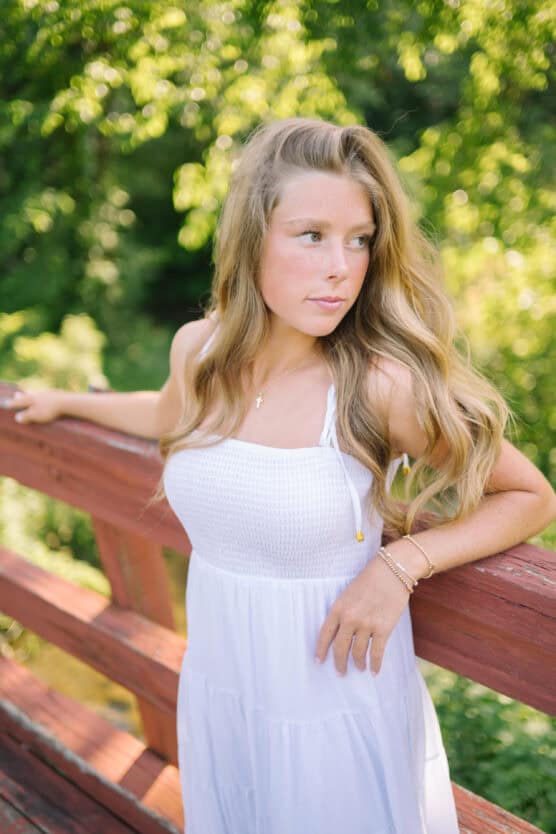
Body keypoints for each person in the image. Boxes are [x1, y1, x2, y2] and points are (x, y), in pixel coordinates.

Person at [6, 117, 556, 834]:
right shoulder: (200, 352)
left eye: (359, 239)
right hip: (224, 688)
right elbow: (168, 416)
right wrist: (68, 403)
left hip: (331, 707)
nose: (341, 266)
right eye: (312, 235)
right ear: (253, 238)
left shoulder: (379, 385)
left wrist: (400, 565)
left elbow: (529, 495)